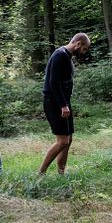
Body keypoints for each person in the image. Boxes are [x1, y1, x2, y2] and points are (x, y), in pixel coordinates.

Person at [38, 33, 91, 175]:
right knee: (62, 140)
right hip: (54, 102)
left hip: (63, 102)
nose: (84, 52)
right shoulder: (60, 55)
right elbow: (53, 83)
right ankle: (40, 173)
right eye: (84, 49)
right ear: (78, 43)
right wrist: (63, 105)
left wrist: (65, 103)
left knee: (68, 139)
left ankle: (61, 173)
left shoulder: (66, 56)